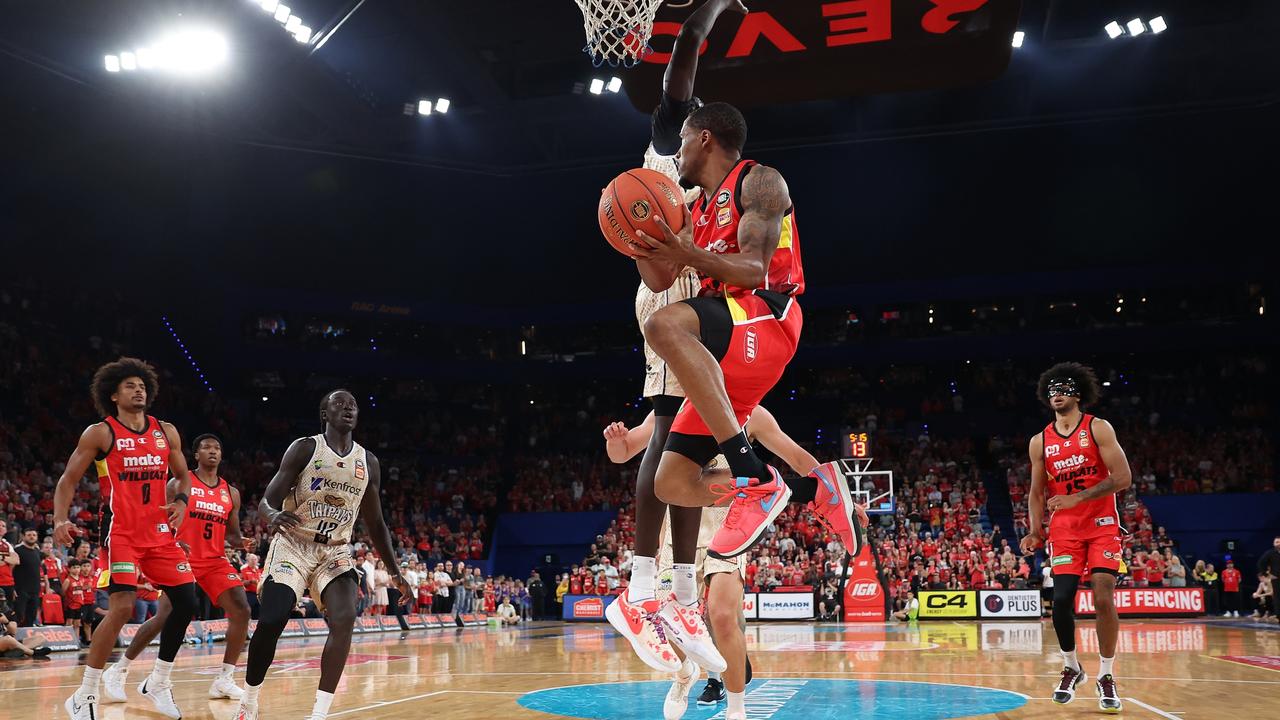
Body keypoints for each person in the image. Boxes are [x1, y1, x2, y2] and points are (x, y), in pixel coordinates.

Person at [619, 69, 864, 700]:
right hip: (725, 343)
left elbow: (753, 268)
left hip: (768, 318)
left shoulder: (760, 180)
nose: (675, 151)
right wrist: (637, 233)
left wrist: (686, 254)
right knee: (671, 480)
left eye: (682, 141)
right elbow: (654, 278)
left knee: (670, 327)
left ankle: (751, 469)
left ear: (703, 138)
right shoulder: (693, 208)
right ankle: (784, 486)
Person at [234, 390, 410, 720]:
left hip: (335, 551)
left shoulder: (368, 462)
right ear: (324, 414)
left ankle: (319, 714)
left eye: (353, 405)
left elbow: (376, 523)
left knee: (345, 618)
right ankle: (249, 700)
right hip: (294, 545)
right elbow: (265, 501)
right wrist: (272, 516)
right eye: (340, 404)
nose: (348, 409)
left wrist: (396, 572)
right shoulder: (305, 448)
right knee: (273, 619)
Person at [53, 357, 199, 720]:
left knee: (186, 602)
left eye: (143, 385)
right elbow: (68, 479)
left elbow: (183, 476)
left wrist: (181, 501)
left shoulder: (166, 431)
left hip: (160, 534)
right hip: (120, 533)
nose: (139, 390)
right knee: (121, 607)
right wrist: (59, 519)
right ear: (113, 394)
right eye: (131, 386)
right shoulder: (101, 432)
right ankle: (85, 694)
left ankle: (158, 681)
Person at [103, 434, 256, 705]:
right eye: (206, 447)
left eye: (217, 448)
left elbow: (231, 534)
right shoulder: (178, 484)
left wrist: (240, 541)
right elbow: (156, 516)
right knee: (164, 616)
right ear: (195, 455)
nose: (213, 451)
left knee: (241, 609)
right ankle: (119, 668)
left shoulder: (230, 493)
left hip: (214, 560)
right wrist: (171, 540)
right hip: (179, 557)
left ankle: (224, 678)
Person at [1020, 363, 1130, 713]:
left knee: (1102, 594)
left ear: (1078, 393)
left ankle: (1107, 675)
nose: (1057, 392)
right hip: (1064, 529)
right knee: (1063, 598)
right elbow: (1036, 493)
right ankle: (1072, 666)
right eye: (1051, 388)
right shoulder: (1040, 441)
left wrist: (1077, 498)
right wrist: (1035, 530)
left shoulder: (1098, 427)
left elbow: (1123, 476)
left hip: (1101, 523)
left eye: (1064, 387)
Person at [12, 528, 42, 626]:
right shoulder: (17, 550)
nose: (32, 537)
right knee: (18, 616)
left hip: (35, 590)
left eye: (34, 535)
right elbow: (10, 570)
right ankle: (13, 639)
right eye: (29, 535)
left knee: (31, 617)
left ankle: (26, 640)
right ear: (24, 536)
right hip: (21, 590)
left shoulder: (37, 551)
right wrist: (13, 587)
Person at [1257, 536, 1280, 621]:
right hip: (1276, 578)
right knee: (1277, 597)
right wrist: (1266, 574)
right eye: (1277, 542)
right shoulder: (1270, 553)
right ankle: (1278, 616)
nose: (1278, 543)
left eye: (1279, 541)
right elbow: (1261, 563)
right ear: (1274, 544)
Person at [0, 521, 16, 612]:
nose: (1, 527)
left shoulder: (7, 544)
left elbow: (16, 560)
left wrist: (2, 558)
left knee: (8, 611)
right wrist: (8, 559)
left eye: (3, 526)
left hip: (8, 582)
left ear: (6, 530)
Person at [241, 553, 262, 619]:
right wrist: (250, 581)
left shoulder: (258, 571)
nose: (253, 561)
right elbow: (242, 582)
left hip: (258, 594)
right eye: (252, 559)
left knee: (258, 613)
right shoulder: (244, 570)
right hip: (249, 594)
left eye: (255, 559)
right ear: (248, 561)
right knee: (248, 612)